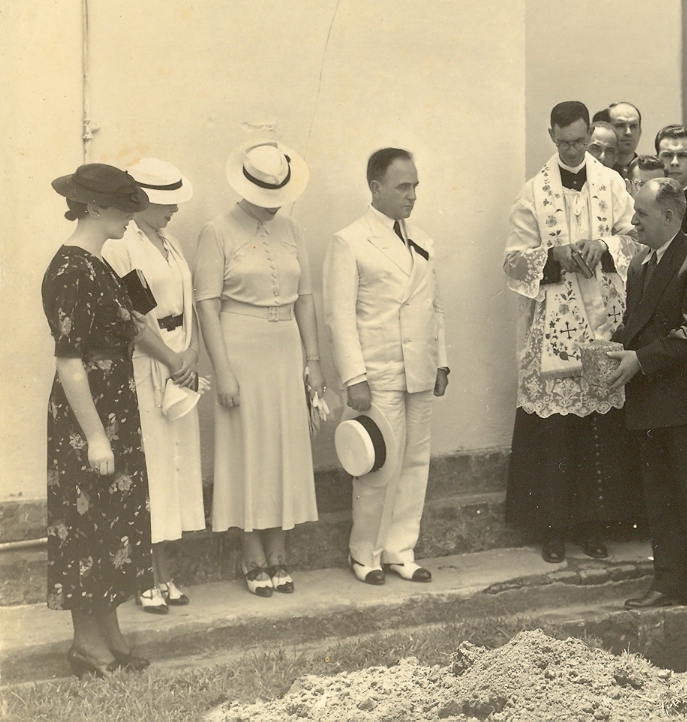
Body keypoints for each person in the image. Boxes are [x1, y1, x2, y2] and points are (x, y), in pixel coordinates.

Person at [502, 102, 643, 563]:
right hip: (553, 328)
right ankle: (553, 529)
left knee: (596, 431)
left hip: (602, 321)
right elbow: (512, 261)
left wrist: (602, 246)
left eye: (580, 141)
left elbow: (636, 238)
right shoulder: (532, 191)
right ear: (551, 135)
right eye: (564, 142)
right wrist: (553, 256)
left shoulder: (611, 183)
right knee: (556, 434)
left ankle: (593, 525)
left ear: (589, 135)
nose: (573, 149)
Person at [196, 142, 323, 597]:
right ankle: (252, 553)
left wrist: (313, 361)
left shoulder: (292, 230)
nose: (273, 208)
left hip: (285, 348)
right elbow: (207, 306)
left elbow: (305, 298)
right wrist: (222, 370)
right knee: (247, 449)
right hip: (240, 347)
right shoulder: (217, 231)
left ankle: (278, 549)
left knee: (283, 447)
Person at [43, 164, 154, 677]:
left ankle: (110, 637)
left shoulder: (100, 264)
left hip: (115, 409)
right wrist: (95, 438)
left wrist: (175, 360)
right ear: (93, 207)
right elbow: (68, 361)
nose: (131, 216)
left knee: (113, 525)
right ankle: (87, 646)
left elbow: (132, 324)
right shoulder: (70, 269)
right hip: (88, 421)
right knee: (86, 527)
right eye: (122, 205)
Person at [324, 148, 451, 586]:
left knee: (415, 463)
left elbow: (434, 308)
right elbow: (339, 316)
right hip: (376, 373)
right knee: (380, 465)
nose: (412, 195)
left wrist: (442, 363)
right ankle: (366, 554)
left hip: (418, 367)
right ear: (375, 188)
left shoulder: (423, 241)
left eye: (415, 185)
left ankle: (401, 550)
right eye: (403, 186)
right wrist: (354, 377)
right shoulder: (350, 241)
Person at [611, 179, 687, 607]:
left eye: (641, 213)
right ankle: (668, 584)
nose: (634, 220)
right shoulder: (640, 263)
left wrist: (639, 360)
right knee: (659, 498)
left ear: (669, 216)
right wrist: (610, 345)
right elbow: (638, 323)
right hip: (650, 400)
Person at [101, 159, 204, 615]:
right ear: (139, 200)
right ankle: (145, 576)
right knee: (153, 470)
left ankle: (166, 572)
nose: (174, 210)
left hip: (180, 359)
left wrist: (191, 355)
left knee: (177, 469)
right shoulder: (123, 247)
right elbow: (137, 318)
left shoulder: (171, 242)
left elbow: (189, 304)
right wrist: (171, 359)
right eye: (166, 202)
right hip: (149, 362)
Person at [655, 124, 687, 242]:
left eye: (682, 155)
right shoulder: (643, 201)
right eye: (668, 155)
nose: (674, 162)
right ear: (657, 158)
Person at [607, 102, 643, 178]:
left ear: (640, 132)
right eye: (620, 125)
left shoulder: (649, 173)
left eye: (633, 126)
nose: (628, 132)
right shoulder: (595, 169)